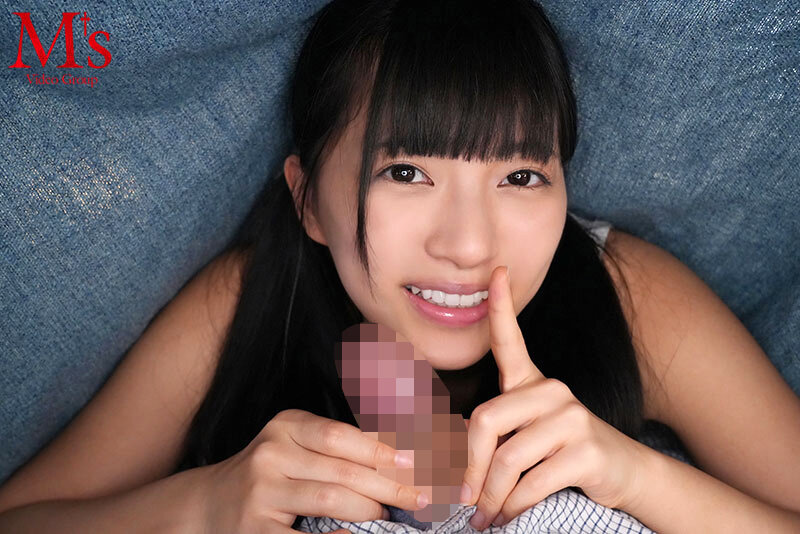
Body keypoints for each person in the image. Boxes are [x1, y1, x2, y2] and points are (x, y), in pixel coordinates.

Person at [1, 0, 799, 532]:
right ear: (308, 200)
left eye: (521, 176)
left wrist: (636, 479)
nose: (468, 244)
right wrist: (200, 507)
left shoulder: (628, 294)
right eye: (407, 172)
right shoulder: (249, 303)